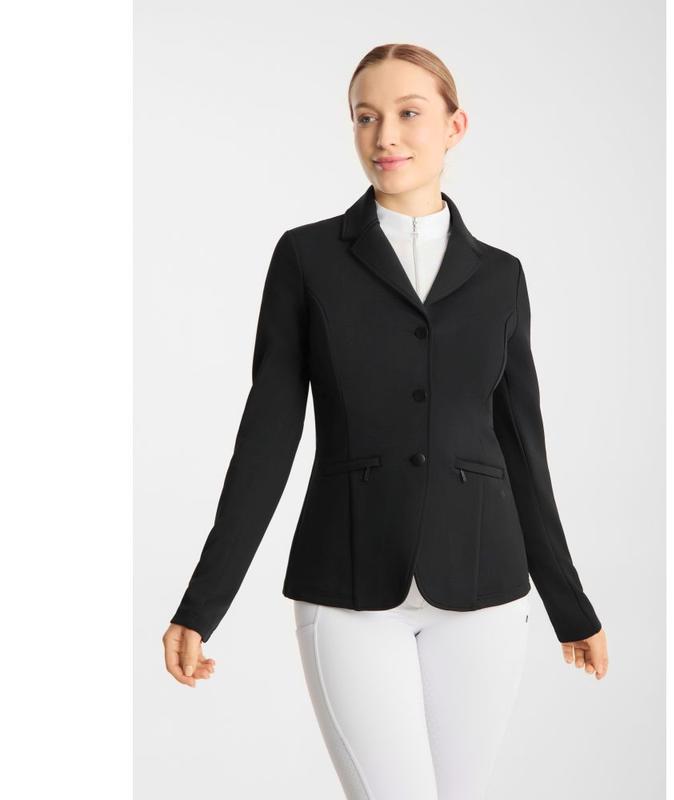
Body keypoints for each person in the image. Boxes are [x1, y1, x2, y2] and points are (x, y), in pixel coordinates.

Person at [163, 42, 609, 800]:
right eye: (366, 117)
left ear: (455, 126)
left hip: (485, 586)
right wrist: (203, 603)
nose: (385, 136)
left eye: (408, 113)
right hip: (348, 583)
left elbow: (520, 448)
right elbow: (267, 436)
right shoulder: (306, 258)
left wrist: (570, 604)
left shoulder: (501, 277)